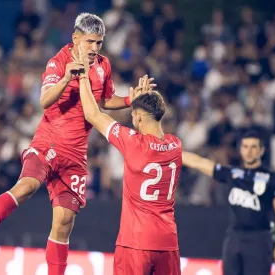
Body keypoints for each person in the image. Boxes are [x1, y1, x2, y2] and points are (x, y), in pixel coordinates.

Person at [0, 13, 145, 275]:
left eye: (99, 43)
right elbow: (44, 100)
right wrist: (67, 78)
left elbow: (105, 100)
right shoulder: (59, 62)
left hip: (76, 155)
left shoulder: (104, 65)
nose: (94, 48)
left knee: (64, 222)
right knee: (26, 187)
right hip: (49, 143)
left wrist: (129, 100)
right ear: (75, 38)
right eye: (90, 42)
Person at [76, 45, 183, 275]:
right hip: (167, 243)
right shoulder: (176, 145)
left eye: (134, 115)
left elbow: (93, 114)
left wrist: (83, 75)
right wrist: (142, 100)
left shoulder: (132, 142)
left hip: (135, 241)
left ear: (139, 117)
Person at [182, 131, 275, 275]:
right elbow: (200, 163)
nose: (249, 151)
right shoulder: (233, 174)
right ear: (240, 149)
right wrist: (169, 151)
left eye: (253, 147)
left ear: (262, 150)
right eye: (245, 147)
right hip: (234, 237)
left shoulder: (273, 179)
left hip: (259, 239)